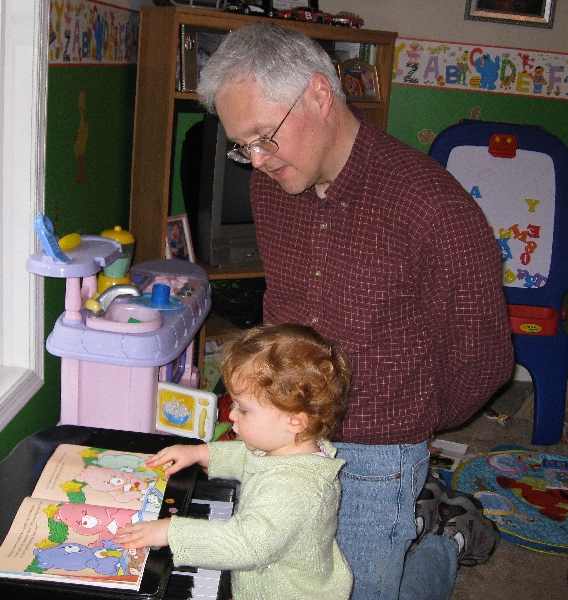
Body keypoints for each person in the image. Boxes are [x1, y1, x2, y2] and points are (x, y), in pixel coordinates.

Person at [196, 23, 514, 600]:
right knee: (278, 579)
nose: (258, 161)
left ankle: (443, 541)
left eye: (264, 137)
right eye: (243, 146)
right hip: (281, 436)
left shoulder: (435, 209)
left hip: (377, 455)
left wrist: (407, 422)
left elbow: (482, 360)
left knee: (362, 590)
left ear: (319, 95)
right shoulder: (272, 188)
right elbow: (281, 308)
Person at [116, 323, 353, 600]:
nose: (231, 416)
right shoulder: (287, 447)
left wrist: (172, 532)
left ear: (295, 420)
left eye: (244, 409)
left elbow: (246, 545)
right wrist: (199, 453)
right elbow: (247, 457)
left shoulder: (295, 488)